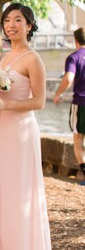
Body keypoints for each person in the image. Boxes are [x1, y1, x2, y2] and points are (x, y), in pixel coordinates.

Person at [0, 3, 53, 250]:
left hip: (22, 131)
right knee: (3, 190)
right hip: (3, 129)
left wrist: (6, 105)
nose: (11, 25)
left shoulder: (32, 58)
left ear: (30, 25)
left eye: (18, 20)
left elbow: (39, 101)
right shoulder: (4, 58)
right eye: (7, 21)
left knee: (21, 191)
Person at [53, 27, 85, 183]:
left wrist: (58, 93)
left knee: (78, 139)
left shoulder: (74, 58)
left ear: (76, 40)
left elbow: (68, 79)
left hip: (80, 104)